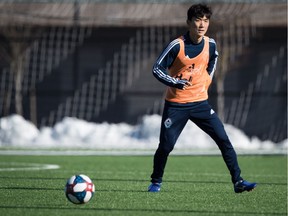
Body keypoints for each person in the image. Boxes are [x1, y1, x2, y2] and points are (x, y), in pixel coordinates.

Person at [148, 3, 257, 193]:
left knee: (223, 139)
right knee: (166, 147)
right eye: (198, 20)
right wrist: (174, 82)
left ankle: (238, 181)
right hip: (176, 105)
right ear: (189, 22)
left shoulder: (210, 43)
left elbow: (213, 58)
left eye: (206, 21)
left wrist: (208, 78)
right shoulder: (177, 45)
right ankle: (156, 181)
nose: (202, 25)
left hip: (200, 103)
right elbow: (157, 68)